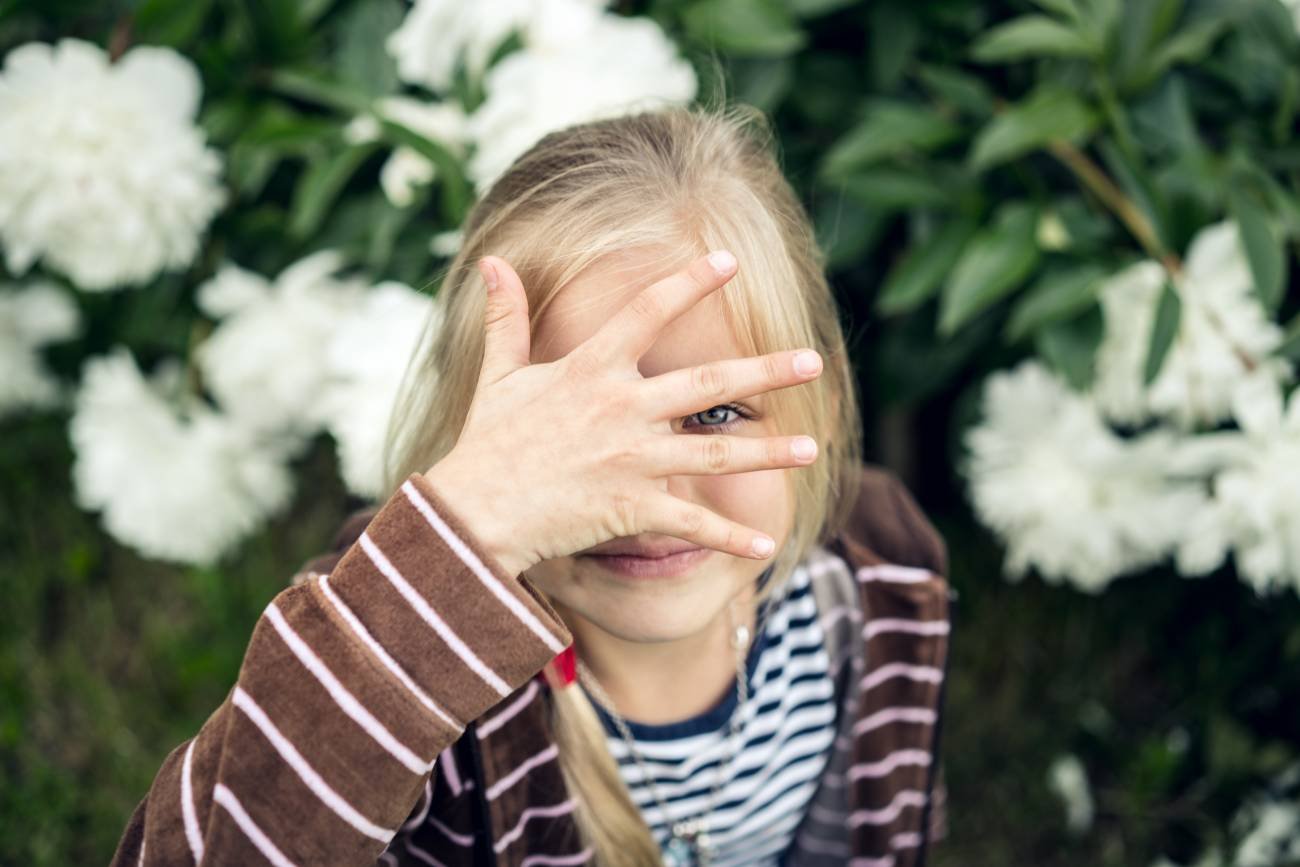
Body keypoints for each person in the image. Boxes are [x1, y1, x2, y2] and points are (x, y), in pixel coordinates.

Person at [111, 105, 954, 867]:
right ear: (468, 428)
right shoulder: (402, 672)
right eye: (576, 427)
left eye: (716, 410)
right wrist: (468, 528)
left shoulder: (883, 579)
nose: (643, 488)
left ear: (827, 400)